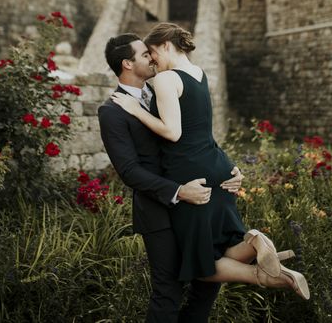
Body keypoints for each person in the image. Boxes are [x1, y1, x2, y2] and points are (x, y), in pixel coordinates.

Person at [111, 23, 310, 301]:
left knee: (200, 265)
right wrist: (228, 165)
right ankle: (253, 242)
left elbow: (173, 132)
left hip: (191, 173)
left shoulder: (167, 79)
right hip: (215, 165)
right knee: (220, 249)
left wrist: (135, 110)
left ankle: (261, 270)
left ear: (166, 44)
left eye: (153, 52)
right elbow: (202, 128)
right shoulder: (199, 74)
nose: (153, 60)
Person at [99, 33, 245, 322]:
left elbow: (195, 135)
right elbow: (129, 172)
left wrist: (227, 167)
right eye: (144, 55)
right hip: (158, 211)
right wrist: (178, 191)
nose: (152, 58)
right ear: (127, 63)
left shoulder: (163, 87)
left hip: (195, 203)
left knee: (207, 284)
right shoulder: (111, 111)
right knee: (168, 293)